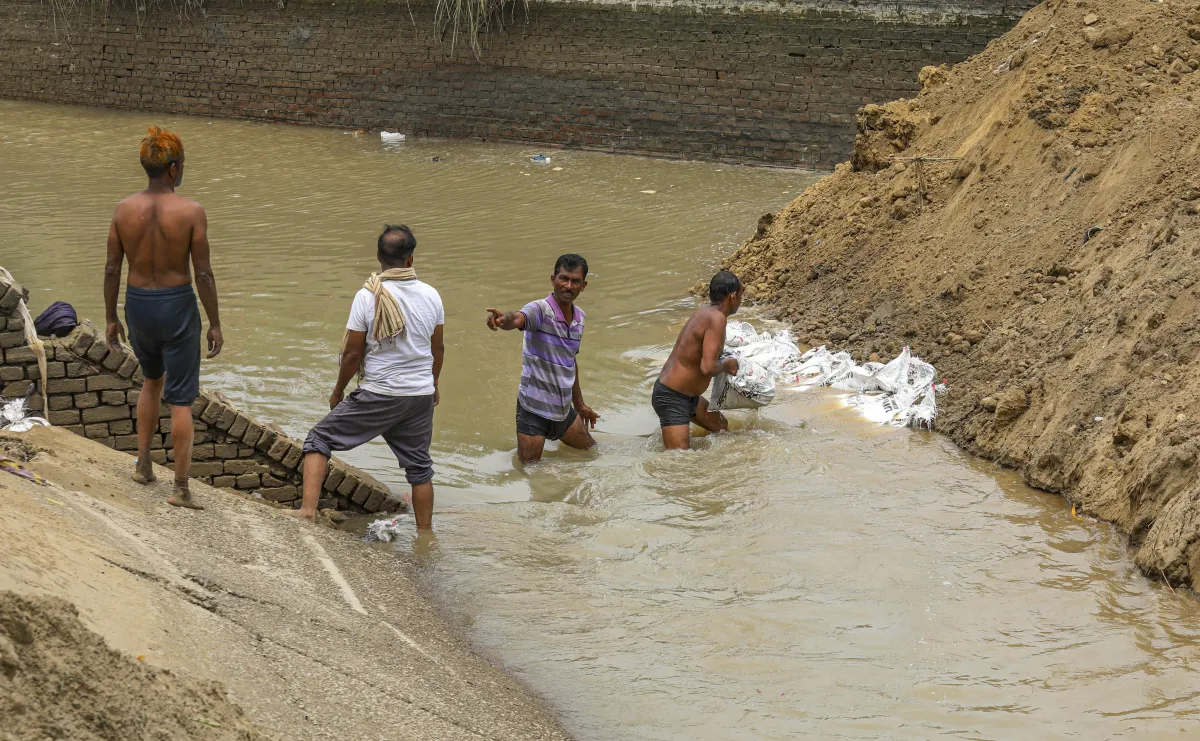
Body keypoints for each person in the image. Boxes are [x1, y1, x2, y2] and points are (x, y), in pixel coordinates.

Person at [104, 125, 223, 510]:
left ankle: (142, 465)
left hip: (138, 304)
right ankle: (181, 488)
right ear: (173, 169)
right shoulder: (190, 211)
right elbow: (203, 274)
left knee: (151, 381)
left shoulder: (123, 210)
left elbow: (111, 269)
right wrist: (215, 322)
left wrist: (110, 318)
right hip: (176, 306)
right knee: (182, 399)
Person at [294, 225, 444, 528]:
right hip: (419, 395)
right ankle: (425, 535)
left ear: (378, 256)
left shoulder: (367, 296)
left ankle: (307, 512)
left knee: (318, 438)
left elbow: (352, 354)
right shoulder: (431, 295)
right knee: (420, 471)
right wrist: (434, 384)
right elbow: (437, 348)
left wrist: (338, 390)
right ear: (411, 258)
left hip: (381, 392)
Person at [485, 254, 599, 463]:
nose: (568, 286)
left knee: (593, 454)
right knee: (530, 471)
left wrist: (580, 405)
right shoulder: (539, 310)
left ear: (583, 285)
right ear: (553, 279)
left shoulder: (580, 318)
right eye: (563, 278)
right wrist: (503, 320)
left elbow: (570, 362)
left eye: (575, 281)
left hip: (563, 410)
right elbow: (518, 318)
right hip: (533, 411)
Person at [653, 270, 743, 451]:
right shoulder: (717, 319)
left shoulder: (704, 312)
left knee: (721, 428)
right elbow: (707, 366)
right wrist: (726, 365)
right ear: (733, 296)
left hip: (688, 396)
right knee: (679, 460)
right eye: (741, 294)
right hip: (672, 396)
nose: (741, 300)